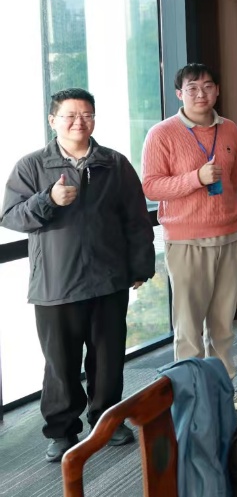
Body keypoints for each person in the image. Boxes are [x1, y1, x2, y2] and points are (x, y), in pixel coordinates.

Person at [2, 89, 155, 462]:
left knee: (108, 360)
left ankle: (108, 422)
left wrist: (139, 267)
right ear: (52, 121)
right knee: (60, 364)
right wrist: (48, 200)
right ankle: (61, 431)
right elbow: (10, 216)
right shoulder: (32, 166)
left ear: (94, 119)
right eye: (69, 115)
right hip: (56, 283)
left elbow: (136, 219)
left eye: (86, 115)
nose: (78, 122)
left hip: (108, 280)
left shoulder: (114, 164)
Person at [141, 63, 237, 410]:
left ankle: (224, 389)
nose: (201, 94)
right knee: (189, 326)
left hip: (229, 235)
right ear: (180, 94)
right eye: (192, 88)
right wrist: (196, 179)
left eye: (207, 86)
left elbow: (233, 180)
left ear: (217, 90)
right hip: (186, 239)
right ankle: (190, 397)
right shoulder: (161, 133)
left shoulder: (230, 129)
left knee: (223, 324)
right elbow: (151, 186)